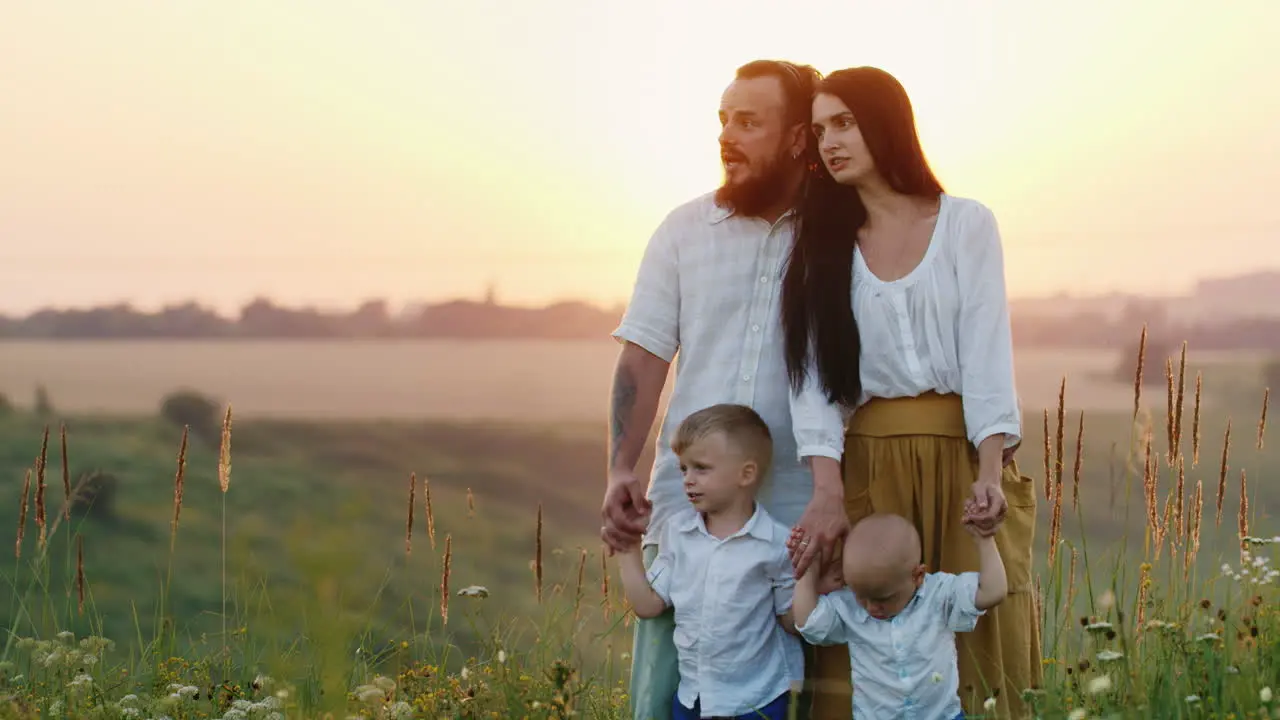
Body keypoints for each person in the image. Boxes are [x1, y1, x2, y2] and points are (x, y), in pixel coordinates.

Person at [780, 66, 1040, 718]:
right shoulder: (820, 244)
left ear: (887, 122)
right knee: (866, 637)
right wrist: (828, 490)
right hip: (868, 467)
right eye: (818, 131)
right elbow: (812, 381)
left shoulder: (966, 224)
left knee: (980, 630)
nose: (830, 142)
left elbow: (987, 352)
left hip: (962, 462)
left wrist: (986, 473)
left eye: (844, 122)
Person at [601, 59, 850, 720]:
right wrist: (620, 470)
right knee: (665, 691)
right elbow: (643, 359)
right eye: (723, 120)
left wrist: (835, 496)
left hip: (804, 511)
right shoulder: (682, 231)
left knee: (810, 693)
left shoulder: (840, 238)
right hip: (685, 509)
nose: (727, 136)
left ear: (799, 138)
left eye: (749, 121)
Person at [617, 403, 804, 720]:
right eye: (683, 469)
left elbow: (792, 621)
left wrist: (811, 581)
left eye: (700, 468)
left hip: (757, 700)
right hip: (694, 699)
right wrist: (627, 548)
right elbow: (648, 605)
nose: (688, 479)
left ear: (746, 474)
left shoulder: (775, 544)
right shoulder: (678, 534)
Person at [792, 512, 1009, 720]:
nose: (870, 607)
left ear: (917, 575)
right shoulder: (850, 608)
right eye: (861, 596)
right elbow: (808, 623)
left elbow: (992, 592)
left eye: (883, 598)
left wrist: (985, 539)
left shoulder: (938, 594)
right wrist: (807, 572)